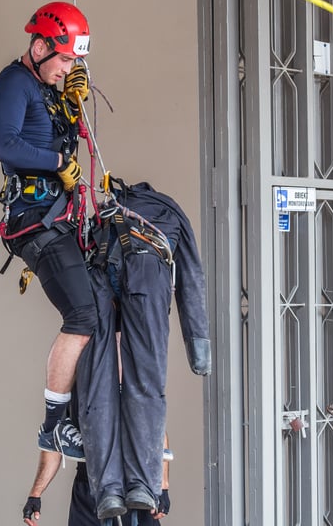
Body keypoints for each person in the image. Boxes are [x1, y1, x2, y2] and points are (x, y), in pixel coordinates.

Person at [0, 1, 96, 460]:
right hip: (33, 221)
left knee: (100, 309)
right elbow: (2, 144)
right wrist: (56, 163)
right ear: (39, 46)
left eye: (75, 61)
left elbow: (61, 135)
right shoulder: (15, 82)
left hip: (59, 216)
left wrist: (74, 103)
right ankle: (54, 425)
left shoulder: (50, 88)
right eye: (65, 58)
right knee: (83, 316)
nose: (68, 67)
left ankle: (84, 411)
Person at [76, 179, 212, 519]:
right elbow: (191, 278)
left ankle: (107, 491)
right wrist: (199, 352)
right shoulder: (170, 212)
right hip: (147, 273)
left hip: (97, 273)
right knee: (145, 384)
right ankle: (141, 485)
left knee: (96, 388)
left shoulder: (105, 212)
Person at [23, 439, 172, 526]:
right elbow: (55, 443)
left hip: (136, 491)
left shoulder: (135, 386)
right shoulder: (72, 390)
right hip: (90, 490)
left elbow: (157, 433)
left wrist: (163, 486)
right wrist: (35, 494)